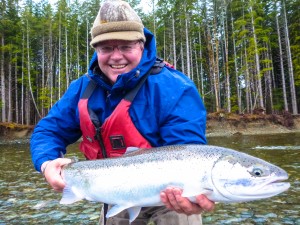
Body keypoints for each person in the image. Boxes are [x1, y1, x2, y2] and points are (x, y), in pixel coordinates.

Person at [30, 0, 215, 224]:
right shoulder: (82, 89)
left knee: (184, 212)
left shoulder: (175, 87)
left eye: (126, 47)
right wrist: (47, 163)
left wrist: (195, 193)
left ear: (141, 45)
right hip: (114, 190)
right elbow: (48, 131)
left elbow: (190, 151)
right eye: (106, 48)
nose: (116, 57)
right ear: (96, 50)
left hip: (171, 193)